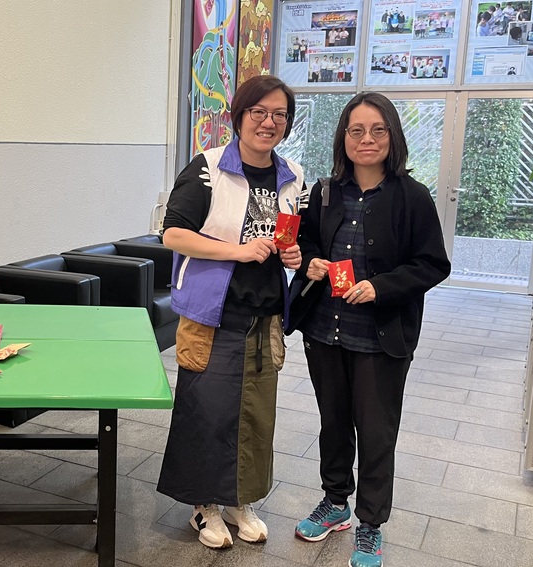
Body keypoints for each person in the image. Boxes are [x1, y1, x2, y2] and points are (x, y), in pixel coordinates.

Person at [287, 92, 451, 567]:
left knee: (377, 434)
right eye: (356, 130)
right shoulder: (325, 192)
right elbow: (306, 241)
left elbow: (432, 264)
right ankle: (335, 502)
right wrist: (310, 261)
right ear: (344, 137)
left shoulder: (412, 197)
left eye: (378, 130)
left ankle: (371, 524)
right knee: (333, 424)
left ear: (392, 136)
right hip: (326, 330)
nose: (367, 139)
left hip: (381, 337)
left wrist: (380, 287)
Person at [157, 74, 307, 550]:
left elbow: (293, 235)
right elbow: (173, 234)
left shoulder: (293, 175)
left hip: (266, 316)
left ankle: (240, 499)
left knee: (255, 416)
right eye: (258, 112)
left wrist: (295, 255)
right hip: (213, 313)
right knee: (207, 411)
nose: (268, 122)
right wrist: (237, 251)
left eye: (279, 114)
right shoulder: (207, 168)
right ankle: (204, 506)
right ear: (239, 117)